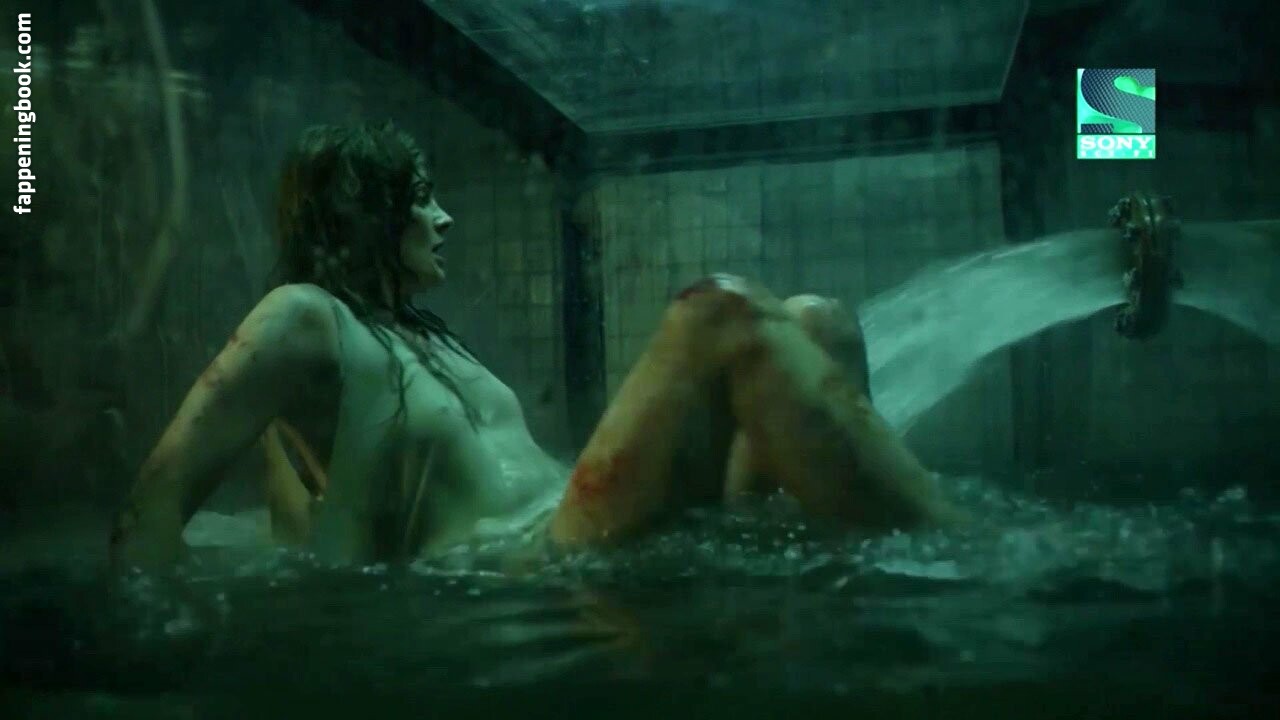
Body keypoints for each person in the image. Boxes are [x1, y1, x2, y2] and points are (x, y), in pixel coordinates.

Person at [108, 122, 961, 570]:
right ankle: (971, 556)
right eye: (422, 199)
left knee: (817, 322)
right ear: (366, 217)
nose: (444, 218)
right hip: (534, 565)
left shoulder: (424, 340)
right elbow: (157, 506)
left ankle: (865, 574)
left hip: (581, 525)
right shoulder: (302, 319)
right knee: (719, 313)